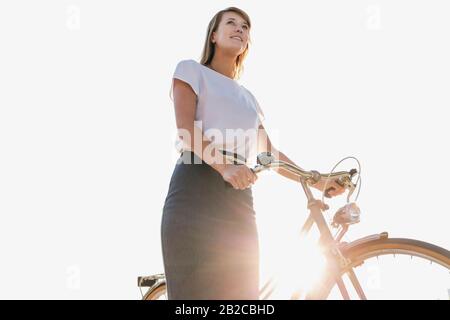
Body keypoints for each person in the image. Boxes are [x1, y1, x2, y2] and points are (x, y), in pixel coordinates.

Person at [161, 6, 345, 300]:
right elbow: (186, 129)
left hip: (238, 197)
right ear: (213, 35)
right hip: (195, 188)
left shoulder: (248, 99)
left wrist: (318, 179)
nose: (239, 29)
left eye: (245, 27)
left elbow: (270, 154)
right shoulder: (190, 70)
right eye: (231, 23)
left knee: (244, 297)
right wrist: (225, 168)